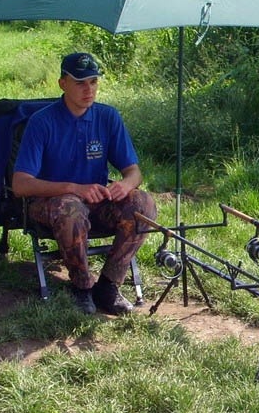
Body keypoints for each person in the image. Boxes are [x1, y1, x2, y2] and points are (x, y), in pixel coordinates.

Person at [12, 52, 157, 314]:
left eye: (93, 82)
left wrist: (125, 184)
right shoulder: (42, 122)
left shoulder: (107, 117)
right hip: (50, 203)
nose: (88, 90)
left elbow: (134, 171)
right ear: (62, 84)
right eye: (80, 82)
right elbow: (21, 184)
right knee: (71, 208)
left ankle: (108, 285)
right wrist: (73, 188)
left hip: (97, 201)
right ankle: (80, 287)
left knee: (142, 203)